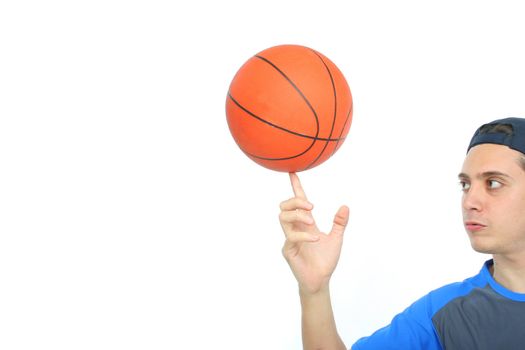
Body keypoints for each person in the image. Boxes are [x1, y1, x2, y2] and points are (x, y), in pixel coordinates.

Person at [278, 117, 525, 350]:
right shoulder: (444, 314)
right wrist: (315, 290)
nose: (470, 200)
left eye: (493, 183)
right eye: (465, 185)